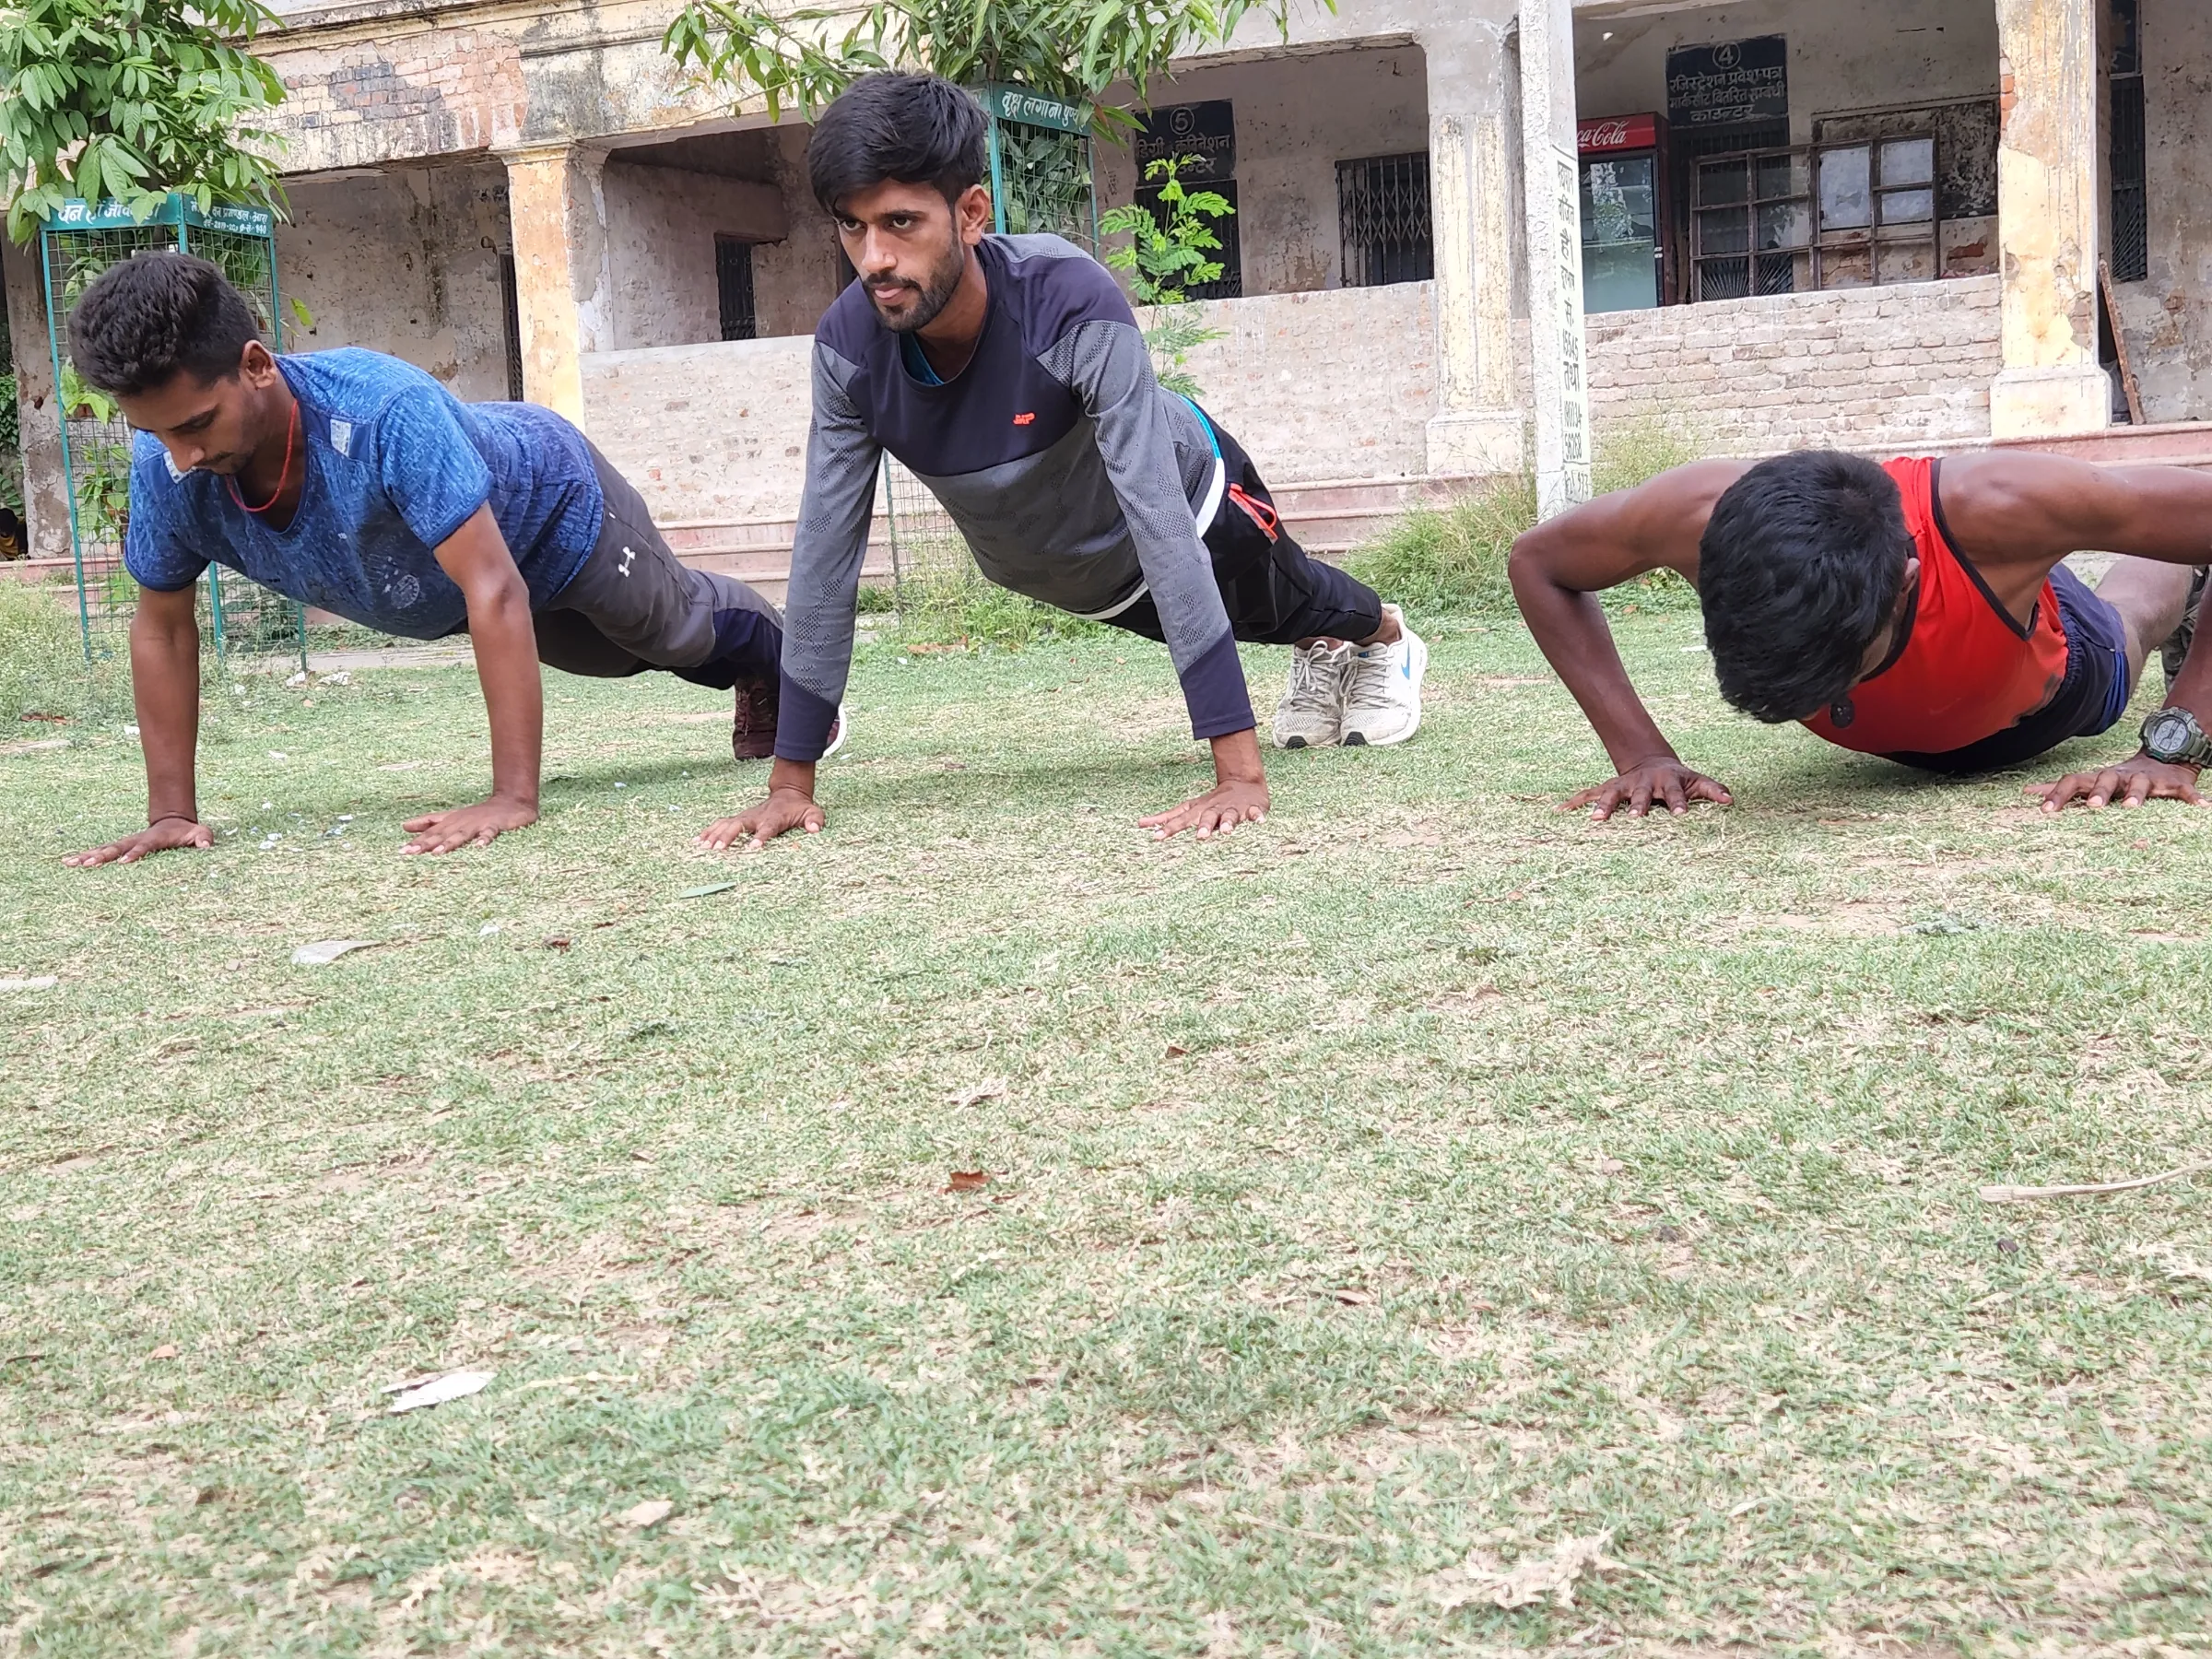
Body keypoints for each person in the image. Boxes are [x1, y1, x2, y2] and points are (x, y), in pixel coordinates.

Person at [698, 72, 1427, 853]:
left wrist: (1238, 775)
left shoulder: (1068, 300)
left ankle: (1384, 638)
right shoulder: (847, 350)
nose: (873, 257)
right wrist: (788, 787)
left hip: (1197, 504)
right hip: (1090, 575)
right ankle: (1318, 651)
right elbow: (824, 557)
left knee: (1295, 600)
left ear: (971, 213)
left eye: (901, 222)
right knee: (1262, 624)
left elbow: (1156, 513)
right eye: (851, 227)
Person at [59, 252, 790, 866]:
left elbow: (494, 584)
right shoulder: (166, 467)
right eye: (156, 435)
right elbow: (163, 629)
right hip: (464, 590)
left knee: (671, 635)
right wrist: (169, 812)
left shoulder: (381, 410)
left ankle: (775, 650)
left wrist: (512, 795)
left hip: (554, 509)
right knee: (613, 662)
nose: (181, 457)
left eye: (195, 425)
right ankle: (736, 663)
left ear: (256, 365)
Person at [1509, 446, 2212, 818]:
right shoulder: (1693, 515)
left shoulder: (2006, 503)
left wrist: (2177, 741)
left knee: (2130, 616)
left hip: (2046, 678)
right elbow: (1538, 561)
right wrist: (1639, 755)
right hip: (1951, 625)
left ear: (1906, 584)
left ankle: (2176, 577)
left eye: (1838, 670)